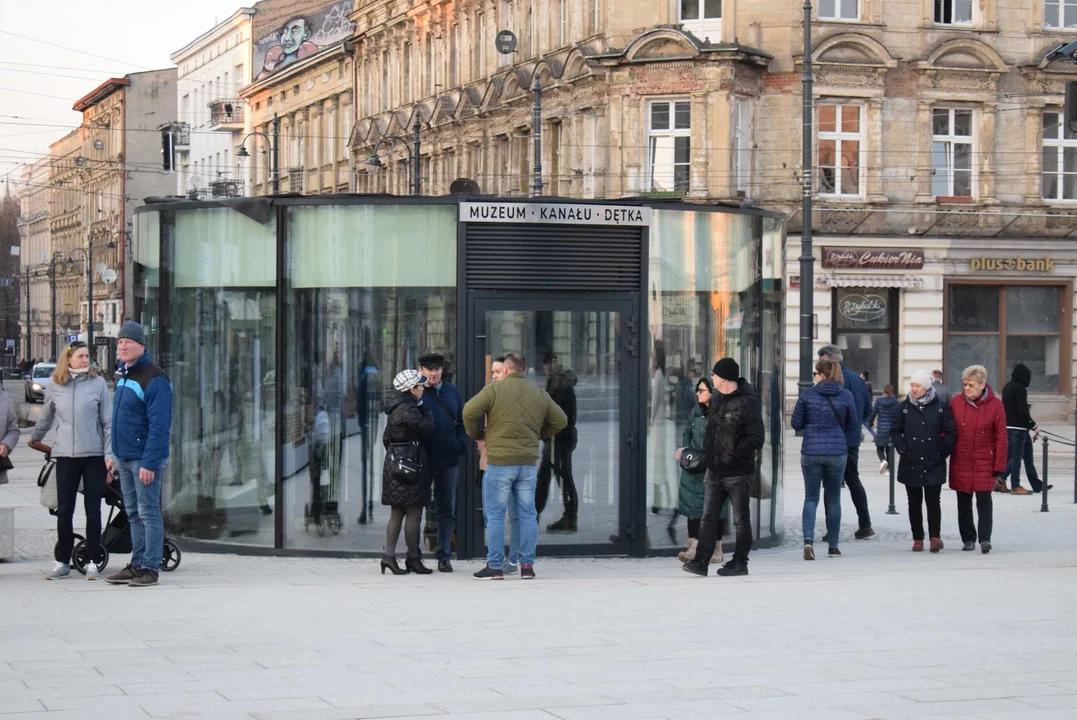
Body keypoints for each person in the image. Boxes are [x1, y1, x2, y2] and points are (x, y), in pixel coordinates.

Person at [463, 353, 567, 580]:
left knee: (496, 515)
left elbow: (469, 411)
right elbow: (561, 420)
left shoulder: (494, 390)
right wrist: (539, 435)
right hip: (527, 464)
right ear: (525, 370)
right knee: (528, 515)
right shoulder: (539, 393)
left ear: (507, 370)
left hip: (499, 462)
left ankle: (495, 567)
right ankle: (527, 566)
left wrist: (478, 435)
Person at [34, 342, 114, 581]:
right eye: (80, 356)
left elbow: (108, 423)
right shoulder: (56, 385)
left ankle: (91, 561)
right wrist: (35, 437)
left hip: (93, 456)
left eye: (87, 356)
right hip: (65, 457)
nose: (85, 359)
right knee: (64, 511)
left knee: (93, 510)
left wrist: (110, 455)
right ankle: (62, 561)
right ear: (68, 360)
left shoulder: (98, 383)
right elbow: (46, 416)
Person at [683, 358, 765, 577]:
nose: (712, 378)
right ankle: (701, 561)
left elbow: (757, 438)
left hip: (738, 472)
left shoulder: (748, 403)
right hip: (714, 471)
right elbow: (711, 433)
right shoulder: (717, 400)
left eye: (715, 375)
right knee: (708, 517)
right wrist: (710, 457)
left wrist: (733, 454)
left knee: (740, 520)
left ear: (725, 378)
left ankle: (740, 562)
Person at [105, 322, 172, 588]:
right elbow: (118, 420)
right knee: (133, 513)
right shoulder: (124, 376)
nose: (122, 345)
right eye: (120, 342)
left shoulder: (154, 378)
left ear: (142, 346)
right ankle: (137, 563)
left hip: (143, 459)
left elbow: (159, 425)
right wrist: (112, 455)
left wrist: (150, 461)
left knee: (148, 512)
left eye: (128, 342)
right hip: (124, 456)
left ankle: (150, 568)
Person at [790, 357, 856, 560]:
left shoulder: (807, 394)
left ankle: (808, 540)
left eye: (815, 374)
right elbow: (853, 424)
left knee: (811, 498)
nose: (814, 377)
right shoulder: (845, 395)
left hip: (811, 451)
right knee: (834, 497)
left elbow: (795, 423)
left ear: (822, 375)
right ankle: (833, 545)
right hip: (836, 452)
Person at [890, 370, 957, 553]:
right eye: (912, 385)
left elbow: (951, 433)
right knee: (914, 502)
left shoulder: (941, 407)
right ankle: (917, 538)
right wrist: (903, 448)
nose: (914, 389)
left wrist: (941, 451)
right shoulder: (904, 407)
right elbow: (895, 431)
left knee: (933, 501)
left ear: (927, 387)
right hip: (911, 460)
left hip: (933, 461)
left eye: (918, 385)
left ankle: (935, 537)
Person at [379, 369, 436, 575]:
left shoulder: (395, 406)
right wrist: (425, 408)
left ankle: (389, 557)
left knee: (397, 512)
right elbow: (428, 428)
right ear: (412, 389)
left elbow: (386, 438)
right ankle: (413, 559)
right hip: (411, 463)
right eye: (420, 386)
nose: (423, 389)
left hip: (395, 462)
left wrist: (397, 453)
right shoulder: (409, 408)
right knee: (414, 512)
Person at [417, 352, 468, 573]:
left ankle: (444, 555)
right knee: (417, 507)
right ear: (421, 371)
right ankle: (414, 555)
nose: (434, 373)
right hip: (423, 459)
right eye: (429, 369)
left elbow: (462, 421)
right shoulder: (416, 392)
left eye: (437, 369)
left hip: (448, 459)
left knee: (447, 509)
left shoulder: (452, 392)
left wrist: (460, 444)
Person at [817, 345, 874, 540]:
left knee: (831, 486)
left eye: (823, 361)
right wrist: (856, 425)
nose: (820, 367)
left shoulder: (833, 380)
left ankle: (832, 530)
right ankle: (865, 523)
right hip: (851, 439)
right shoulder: (858, 381)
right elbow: (868, 409)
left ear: (832, 360)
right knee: (853, 480)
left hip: (834, 441)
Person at [949, 365, 1007, 554]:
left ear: (982, 385)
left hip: (984, 460)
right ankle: (968, 538)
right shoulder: (956, 403)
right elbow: (947, 430)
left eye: (971, 385)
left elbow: (1001, 437)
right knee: (963, 500)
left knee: (984, 500)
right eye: (965, 384)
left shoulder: (996, 405)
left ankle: (985, 538)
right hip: (962, 459)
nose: (967, 388)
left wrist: (999, 465)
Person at [477, 357, 521, 573]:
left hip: (512, 461)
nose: (494, 376)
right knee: (491, 514)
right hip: (491, 461)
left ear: (507, 371)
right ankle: (498, 558)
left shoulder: (520, 394)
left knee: (514, 515)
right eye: (492, 372)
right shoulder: (490, 393)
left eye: (497, 371)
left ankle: (511, 560)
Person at [673, 377, 722, 565]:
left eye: (702, 390)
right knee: (691, 506)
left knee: (716, 509)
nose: (697, 393)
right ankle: (693, 546)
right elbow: (687, 431)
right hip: (694, 465)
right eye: (697, 390)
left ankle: (717, 548)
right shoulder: (695, 411)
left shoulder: (719, 412)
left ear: (712, 392)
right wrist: (685, 448)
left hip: (713, 465)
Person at [536, 353, 579, 533]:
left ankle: (533, 514)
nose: (548, 367)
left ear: (556, 363)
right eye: (545, 364)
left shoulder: (559, 385)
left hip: (558, 439)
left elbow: (557, 415)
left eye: (550, 362)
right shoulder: (557, 383)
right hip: (561, 438)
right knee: (563, 479)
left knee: (545, 478)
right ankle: (570, 517)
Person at [1002, 363, 1039, 496]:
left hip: (1007, 426)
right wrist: (1034, 426)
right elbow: (1022, 411)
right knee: (1016, 458)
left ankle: (1001, 478)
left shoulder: (1007, 387)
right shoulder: (1021, 389)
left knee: (1011, 456)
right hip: (1019, 427)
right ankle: (1015, 485)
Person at [867, 384, 900, 473]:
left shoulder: (878, 401)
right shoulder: (896, 403)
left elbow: (873, 413)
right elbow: (899, 416)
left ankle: (883, 460)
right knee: (889, 448)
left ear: (883, 391)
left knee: (879, 448)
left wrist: (870, 423)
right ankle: (888, 468)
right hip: (891, 429)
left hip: (881, 429)